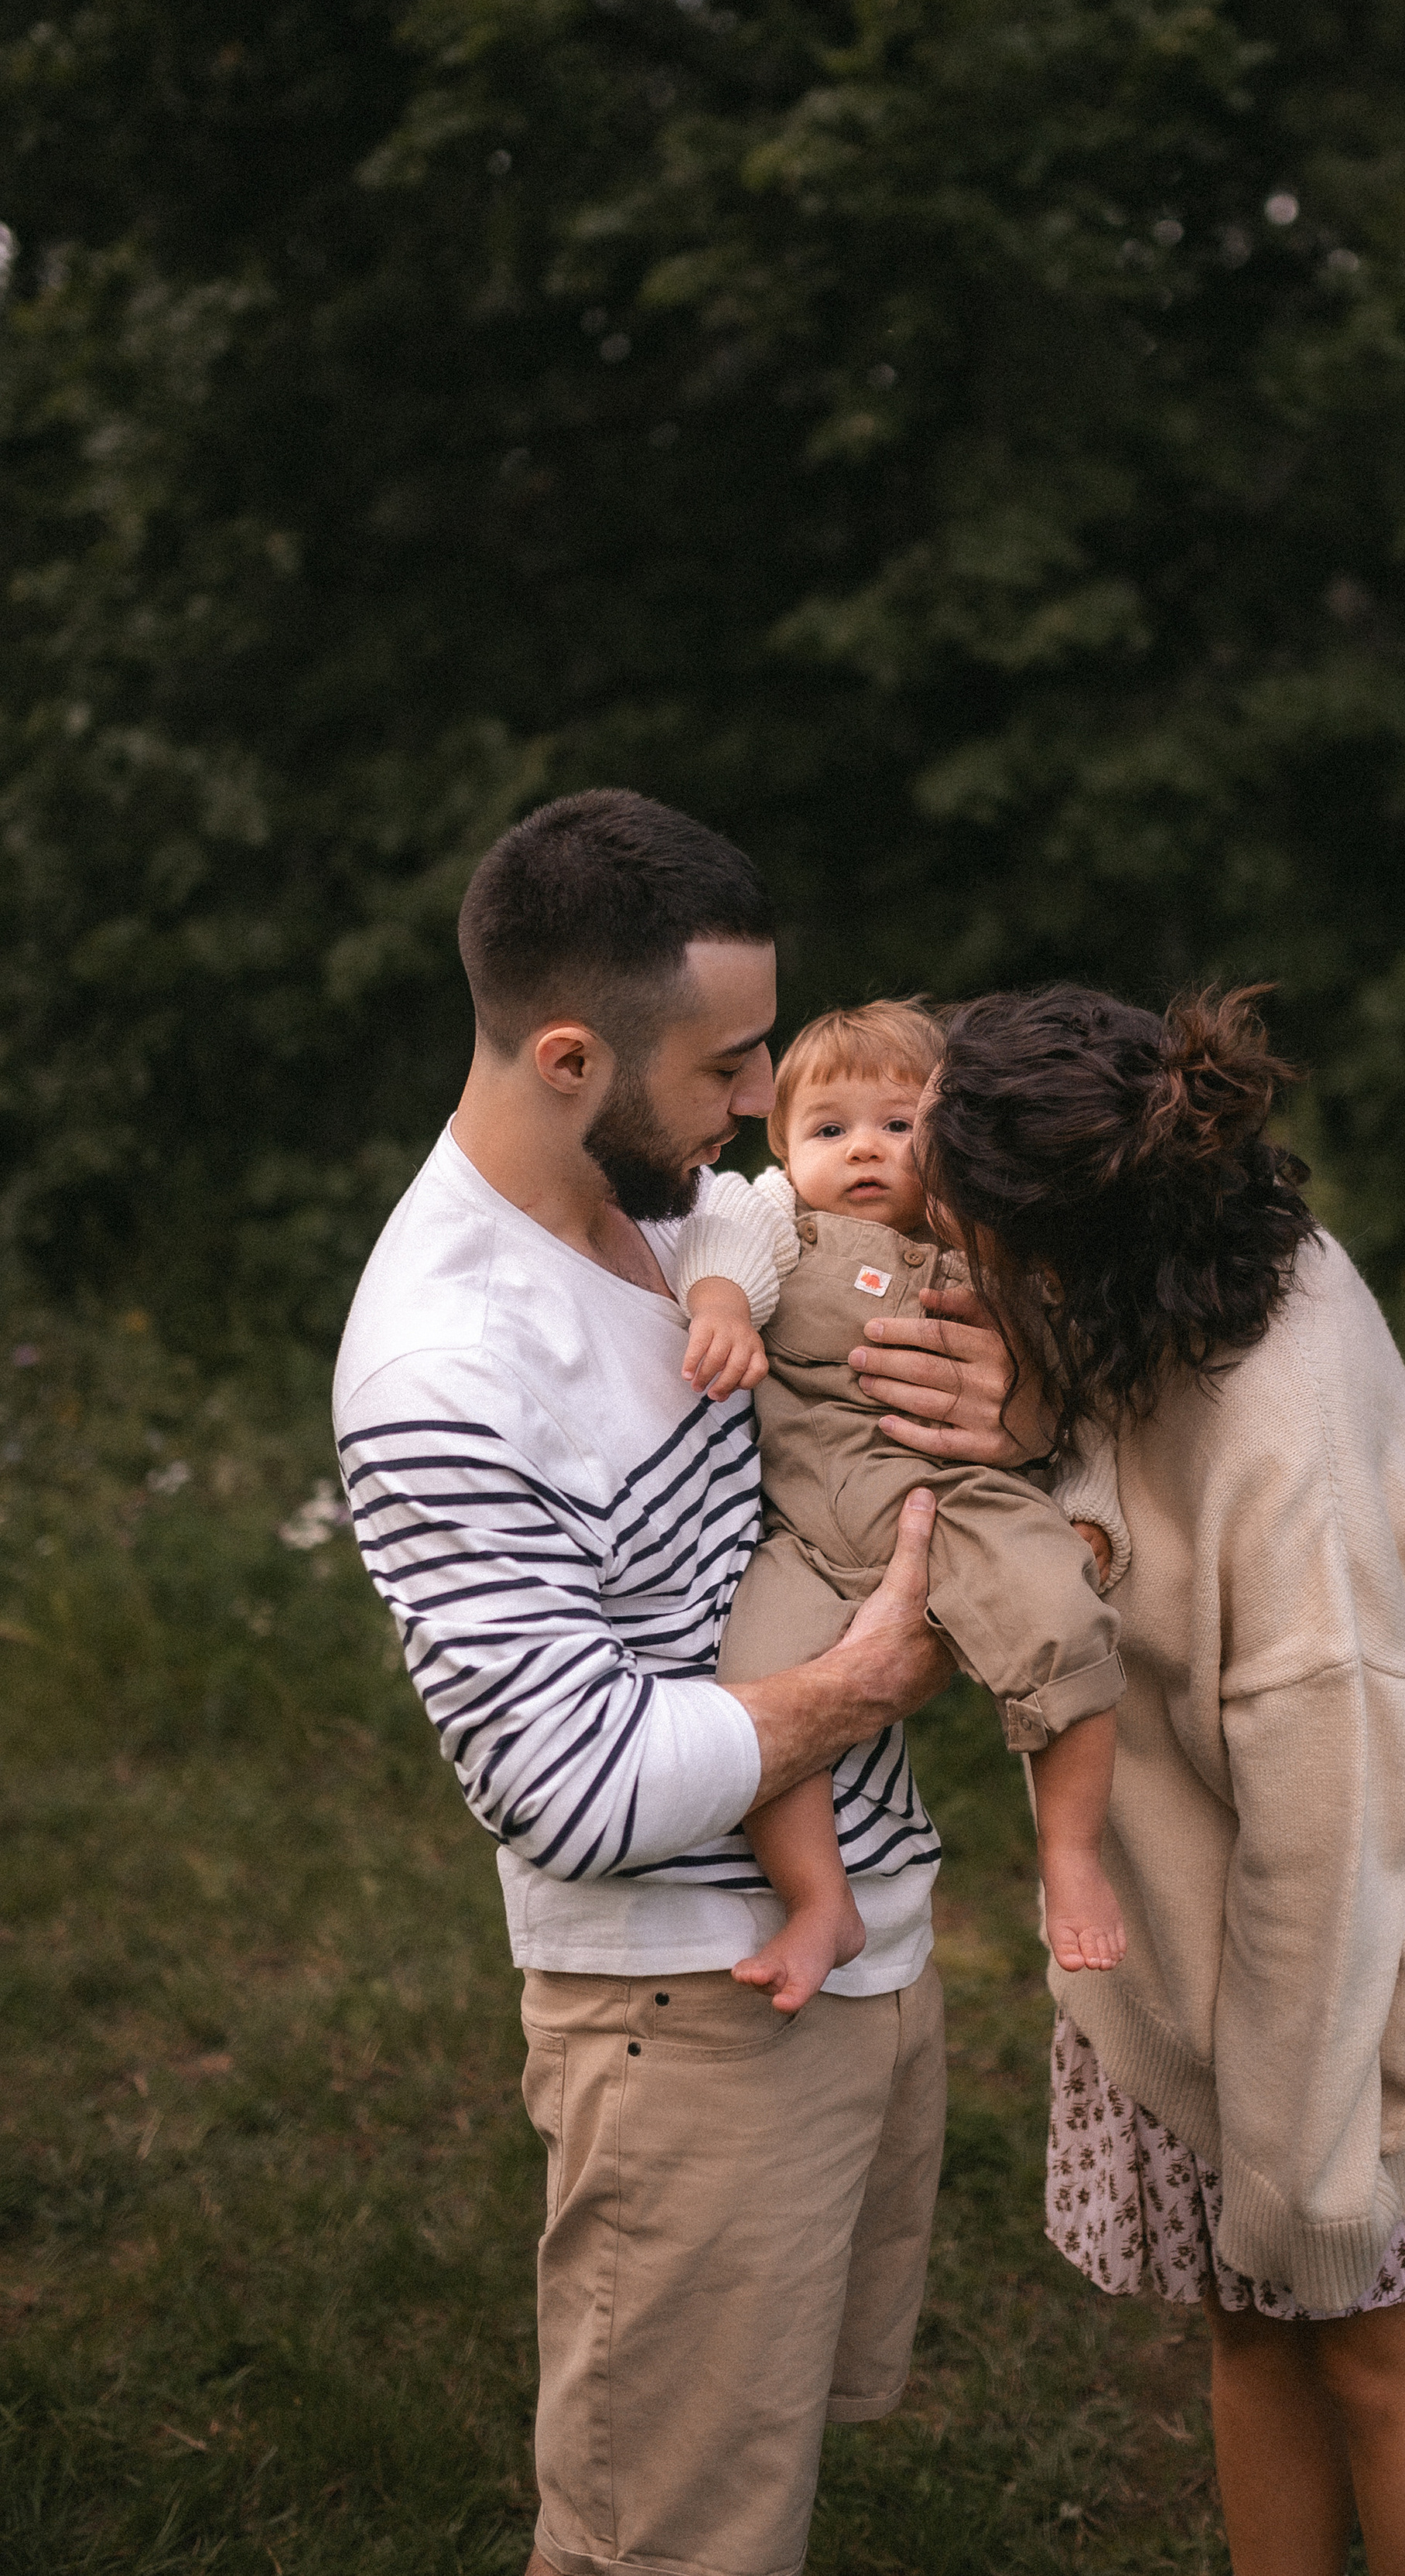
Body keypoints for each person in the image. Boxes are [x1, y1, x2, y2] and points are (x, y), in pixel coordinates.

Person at [331, 791, 963, 2576]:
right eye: (728, 1065)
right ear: (564, 1057)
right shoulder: (450, 1361)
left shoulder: (687, 1213)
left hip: (860, 1951)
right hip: (690, 2020)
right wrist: (877, 1672)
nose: (767, 1105)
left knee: (745, 2492)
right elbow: (573, 1784)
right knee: (661, 2544)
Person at [915, 982, 1405, 2576]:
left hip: (1322, 2020)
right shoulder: (1171, 1270)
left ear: (1050, 1246)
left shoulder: (1281, 1442)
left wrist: (1313, 2176)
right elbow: (1117, 1496)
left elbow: (1322, 1843)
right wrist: (1032, 1420)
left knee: (1383, 2363)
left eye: (958, 1225)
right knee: (1248, 2343)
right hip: (1190, 1972)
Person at [695, 999, 1128, 2014]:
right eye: (830, 1129)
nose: (865, 1152)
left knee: (1065, 1612)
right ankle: (819, 1900)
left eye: (899, 1126)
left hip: (962, 1502)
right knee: (755, 1695)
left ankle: (1070, 1854)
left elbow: (1064, 1359)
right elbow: (715, 1241)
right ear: (783, 1145)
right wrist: (718, 1306)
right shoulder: (774, 1220)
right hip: (810, 1528)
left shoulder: (981, 1241)